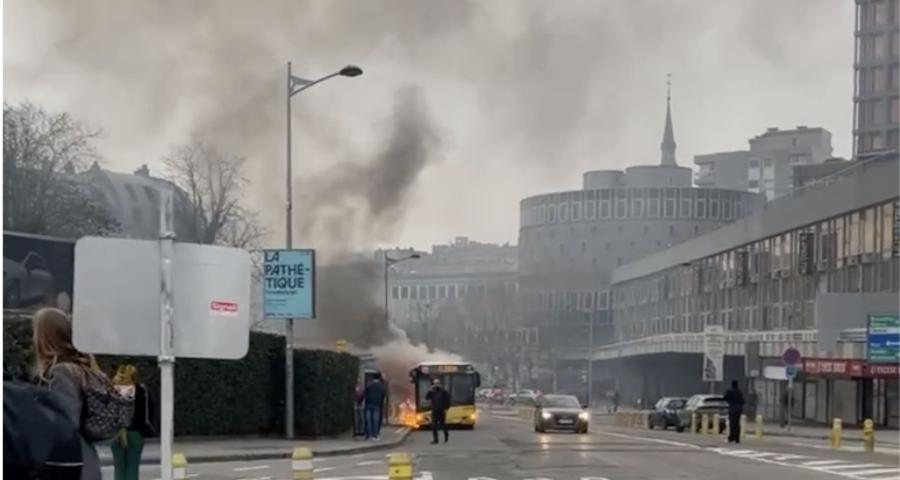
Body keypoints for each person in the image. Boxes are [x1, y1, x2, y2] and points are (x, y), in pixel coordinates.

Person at [32, 307, 103, 480]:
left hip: (69, 464)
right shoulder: (80, 369)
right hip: (83, 460)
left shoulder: (61, 373)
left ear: (45, 337)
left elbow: (65, 424)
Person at [111, 365, 156, 480]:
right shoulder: (141, 391)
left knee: (119, 469)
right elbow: (150, 410)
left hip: (115, 433)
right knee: (133, 468)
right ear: (135, 377)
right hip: (135, 432)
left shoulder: (111, 390)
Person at [361, 373, 386, 440]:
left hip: (368, 404)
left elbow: (364, 394)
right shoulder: (381, 386)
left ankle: (369, 435)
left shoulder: (369, 385)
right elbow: (383, 395)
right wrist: (381, 403)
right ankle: (375, 435)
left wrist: (359, 401)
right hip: (377, 405)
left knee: (368, 420)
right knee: (375, 421)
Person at [425, 379, 450, 444]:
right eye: (435, 384)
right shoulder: (432, 392)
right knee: (434, 426)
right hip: (434, 411)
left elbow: (448, 400)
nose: (436, 385)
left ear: (439, 384)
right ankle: (435, 440)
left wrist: (446, 409)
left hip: (441, 411)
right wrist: (430, 390)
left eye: (437, 383)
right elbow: (427, 398)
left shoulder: (444, 391)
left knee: (442, 425)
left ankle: (446, 434)